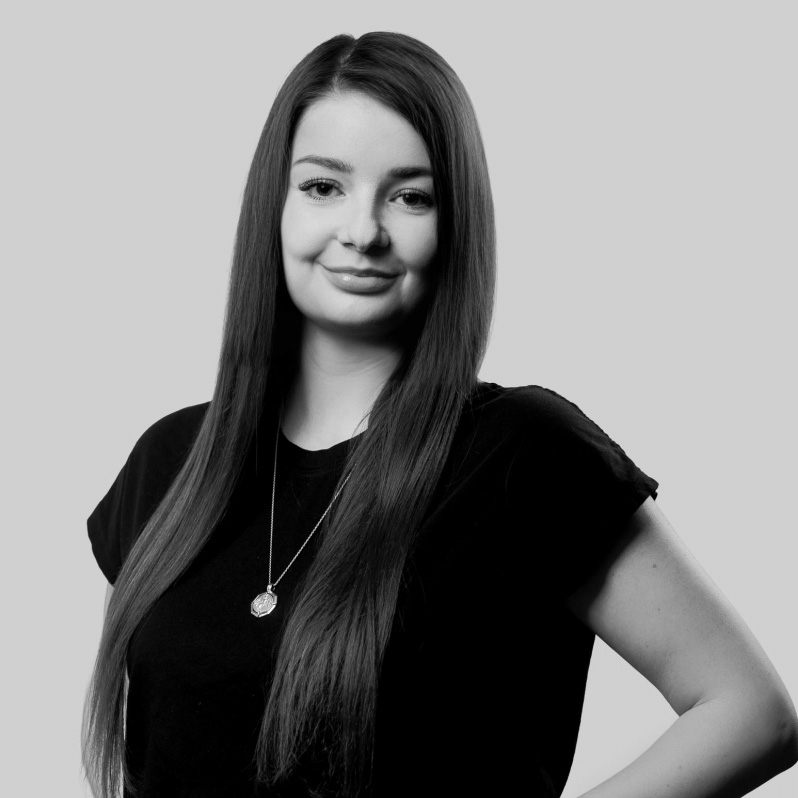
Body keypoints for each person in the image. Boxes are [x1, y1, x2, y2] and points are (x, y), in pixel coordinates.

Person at [82, 31, 798, 798]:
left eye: (410, 196)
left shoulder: (524, 455)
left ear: (454, 223)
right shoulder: (169, 462)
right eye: (323, 187)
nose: (363, 231)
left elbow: (750, 711)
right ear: (273, 206)